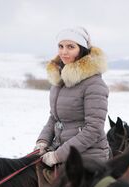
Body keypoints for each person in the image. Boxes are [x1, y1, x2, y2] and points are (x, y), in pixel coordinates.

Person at [34, 26, 110, 169]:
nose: (64, 52)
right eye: (61, 46)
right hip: (60, 150)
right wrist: (42, 142)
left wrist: (58, 156)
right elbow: (54, 118)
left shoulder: (94, 84)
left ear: (81, 49)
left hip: (88, 157)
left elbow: (93, 129)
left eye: (70, 47)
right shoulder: (59, 80)